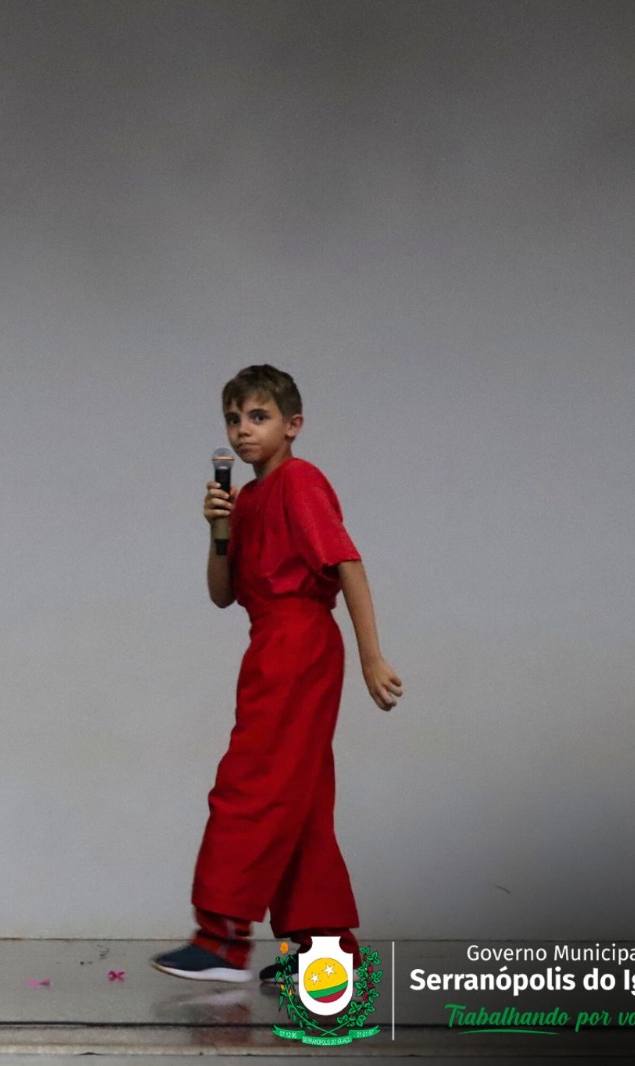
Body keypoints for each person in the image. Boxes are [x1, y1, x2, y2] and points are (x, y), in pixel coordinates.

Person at [152, 365, 402, 984]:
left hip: (298, 642)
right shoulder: (250, 498)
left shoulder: (301, 481)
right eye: (233, 419)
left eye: (257, 417)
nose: (242, 431)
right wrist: (218, 527)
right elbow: (222, 593)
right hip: (269, 640)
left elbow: (347, 563)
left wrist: (372, 655)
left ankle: (221, 941)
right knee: (302, 796)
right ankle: (324, 954)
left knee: (252, 781)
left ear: (293, 426)